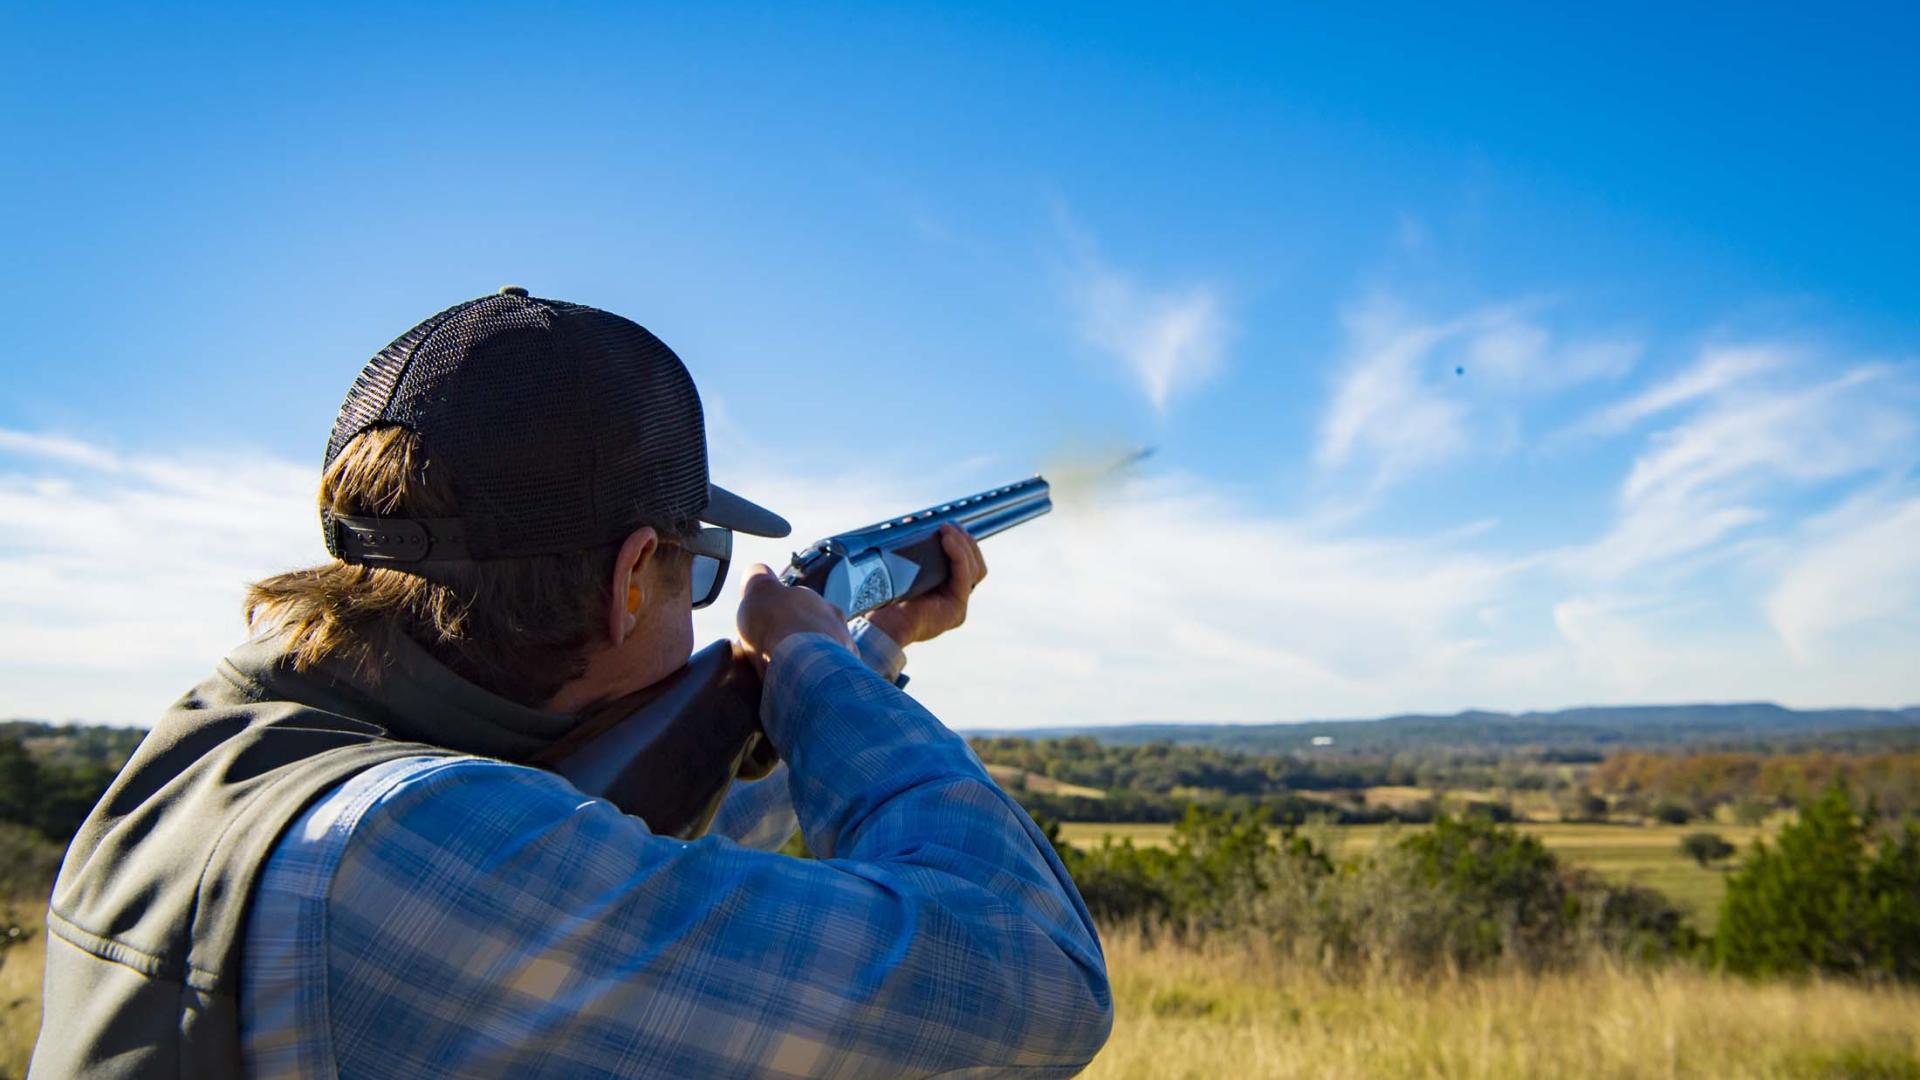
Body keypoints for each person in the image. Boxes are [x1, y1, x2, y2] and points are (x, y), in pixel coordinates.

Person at [32, 288, 1112, 1079]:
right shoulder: (412, 843)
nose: (700, 609)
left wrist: (866, 651)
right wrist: (816, 664)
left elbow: (655, 853)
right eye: (698, 570)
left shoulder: (231, 748)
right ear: (631, 576)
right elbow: (1039, 975)